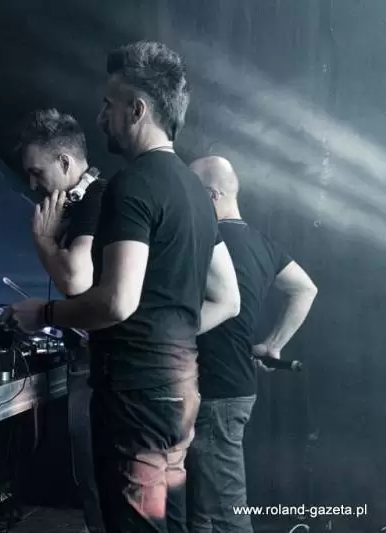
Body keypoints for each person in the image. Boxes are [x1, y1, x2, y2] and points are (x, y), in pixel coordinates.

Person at [9, 41, 241, 533]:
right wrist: (167, 336)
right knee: (167, 523)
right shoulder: (196, 192)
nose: (101, 118)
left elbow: (116, 301)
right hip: (180, 391)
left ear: (137, 110)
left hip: (135, 398)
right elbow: (227, 298)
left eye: (109, 106)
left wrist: (42, 313)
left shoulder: (131, 185)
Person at [186, 156, 318, 533]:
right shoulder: (262, 244)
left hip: (216, 390)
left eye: (192, 192)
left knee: (226, 514)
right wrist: (273, 345)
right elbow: (305, 289)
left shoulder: (204, 242)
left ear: (211, 195)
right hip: (231, 387)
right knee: (202, 508)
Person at [17, 108, 106, 533]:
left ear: (66, 162)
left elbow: (75, 278)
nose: (33, 186)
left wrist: (43, 240)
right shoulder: (88, 202)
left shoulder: (95, 200)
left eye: (38, 172)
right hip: (95, 361)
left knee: (99, 485)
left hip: (101, 364)